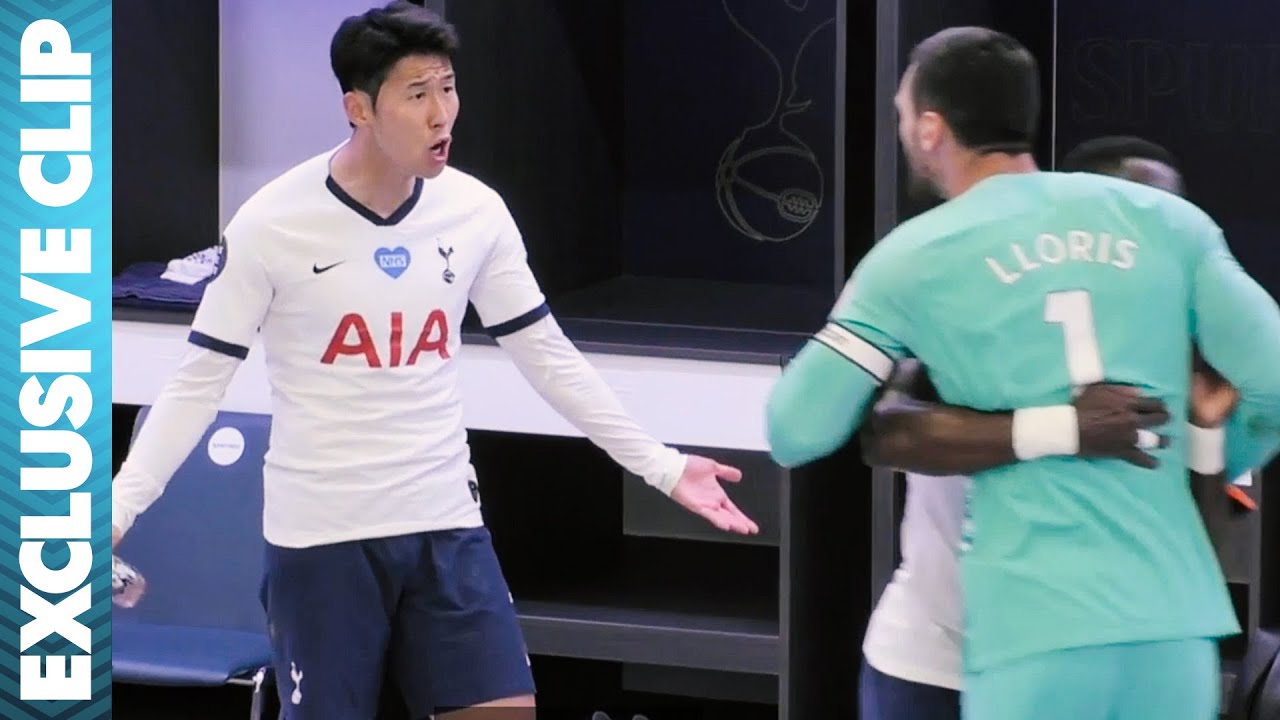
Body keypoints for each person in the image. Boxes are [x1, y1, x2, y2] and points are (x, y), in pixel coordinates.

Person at [110, 3, 757, 719]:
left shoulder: (475, 212)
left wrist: (662, 465)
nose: (441, 113)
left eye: (447, 88)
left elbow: (547, 356)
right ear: (358, 107)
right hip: (323, 539)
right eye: (417, 95)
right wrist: (118, 508)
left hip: (446, 523)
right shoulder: (272, 221)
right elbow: (199, 380)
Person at [765, 26, 1280, 720]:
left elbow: (794, 429)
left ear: (928, 129)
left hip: (1034, 628)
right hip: (1174, 628)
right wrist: (1191, 449)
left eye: (899, 116)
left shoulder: (914, 256)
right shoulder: (1170, 222)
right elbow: (1271, 381)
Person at [853, 135, 1238, 720]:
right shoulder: (982, 304)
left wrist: (1207, 431)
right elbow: (886, 429)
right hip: (936, 664)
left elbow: (1199, 543)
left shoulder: (1193, 353)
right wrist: (1063, 428)